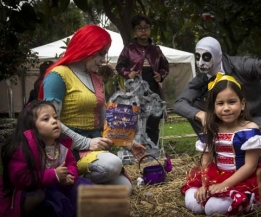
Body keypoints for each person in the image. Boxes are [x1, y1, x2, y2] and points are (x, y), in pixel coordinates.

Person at [38, 25, 146, 191]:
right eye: (101, 53)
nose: (104, 59)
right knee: (112, 164)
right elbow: (50, 121)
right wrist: (86, 143)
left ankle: (77, 188)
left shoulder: (96, 79)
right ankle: (69, 180)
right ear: (87, 48)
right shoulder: (58, 75)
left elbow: (104, 121)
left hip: (92, 146)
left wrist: (128, 143)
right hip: (65, 149)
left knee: (125, 189)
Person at [174, 36, 261, 161]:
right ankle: (220, 151)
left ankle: (243, 154)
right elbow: (180, 103)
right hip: (228, 121)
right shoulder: (202, 79)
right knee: (193, 106)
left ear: (217, 54)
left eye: (206, 56)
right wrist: (201, 115)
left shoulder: (242, 65)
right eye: (197, 57)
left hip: (260, 117)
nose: (200, 62)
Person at [181, 74, 261, 215]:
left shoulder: (249, 129)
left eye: (231, 102)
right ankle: (218, 197)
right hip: (216, 174)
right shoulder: (212, 128)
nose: (226, 108)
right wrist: (204, 185)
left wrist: (224, 185)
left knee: (213, 208)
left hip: (243, 177)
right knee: (192, 203)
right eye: (220, 103)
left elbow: (250, 166)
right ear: (213, 106)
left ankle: (249, 199)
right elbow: (206, 159)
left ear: (242, 104)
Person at [0, 100, 92, 217]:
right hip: (31, 189)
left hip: (58, 185)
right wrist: (53, 175)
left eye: (55, 117)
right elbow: (20, 178)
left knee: (84, 193)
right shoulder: (23, 149)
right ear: (31, 125)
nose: (54, 121)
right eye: (46, 119)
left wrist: (69, 175)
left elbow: (70, 163)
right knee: (56, 204)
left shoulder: (61, 145)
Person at [116, 14, 169, 147]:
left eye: (146, 27)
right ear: (134, 31)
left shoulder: (156, 50)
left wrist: (160, 75)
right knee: (135, 121)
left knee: (153, 120)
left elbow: (165, 66)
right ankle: (136, 151)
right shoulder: (129, 49)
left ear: (150, 29)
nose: (143, 30)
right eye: (140, 28)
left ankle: (153, 150)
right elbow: (119, 66)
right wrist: (128, 74)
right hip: (134, 91)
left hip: (153, 90)